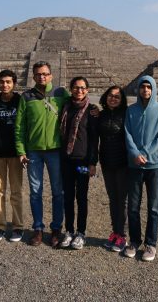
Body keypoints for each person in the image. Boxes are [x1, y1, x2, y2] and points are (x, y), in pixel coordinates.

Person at [15, 61, 69, 247]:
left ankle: (56, 228)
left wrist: (94, 109)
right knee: (35, 192)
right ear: (33, 76)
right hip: (33, 151)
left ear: (51, 75)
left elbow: (79, 106)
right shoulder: (26, 96)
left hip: (55, 150)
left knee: (57, 192)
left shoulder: (61, 94)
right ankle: (38, 228)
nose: (42, 77)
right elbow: (20, 126)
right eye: (38, 74)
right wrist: (21, 150)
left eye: (45, 74)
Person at [123, 76, 158, 262]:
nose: (145, 90)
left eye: (149, 87)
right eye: (142, 87)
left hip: (155, 165)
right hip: (134, 164)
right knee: (133, 206)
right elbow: (126, 133)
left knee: (154, 207)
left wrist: (145, 153)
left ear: (153, 89)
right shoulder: (130, 110)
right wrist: (135, 153)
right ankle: (134, 241)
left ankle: (151, 243)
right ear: (138, 90)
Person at [58, 77, 98, 250]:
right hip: (66, 160)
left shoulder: (92, 111)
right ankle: (69, 230)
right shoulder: (65, 106)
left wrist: (93, 163)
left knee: (81, 197)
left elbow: (94, 139)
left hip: (82, 161)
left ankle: (81, 232)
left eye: (82, 88)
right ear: (71, 89)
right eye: (75, 87)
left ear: (87, 90)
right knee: (67, 197)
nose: (79, 91)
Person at [0, 69, 24, 243]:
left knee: (16, 191)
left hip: (15, 154)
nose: (5, 85)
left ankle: (18, 226)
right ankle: (0, 226)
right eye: (2, 82)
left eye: (8, 82)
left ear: (14, 83)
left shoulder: (20, 101)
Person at [96, 86, 129, 252]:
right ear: (105, 96)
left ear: (122, 100)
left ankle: (122, 235)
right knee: (112, 198)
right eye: (111, 95)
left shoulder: (127, 115)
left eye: (117, 97)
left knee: (122, 200)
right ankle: (114, 232)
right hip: (107, 162)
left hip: (123, 163)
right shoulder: (100, 115)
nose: (113, 99)